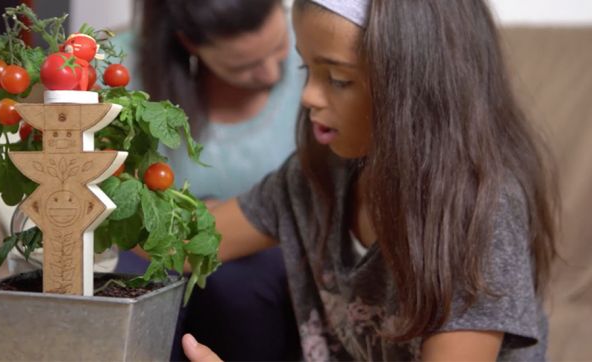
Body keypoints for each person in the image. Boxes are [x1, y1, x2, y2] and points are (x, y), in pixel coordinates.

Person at [180, 0, 559, 360]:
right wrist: (122, 175)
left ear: (417, 87)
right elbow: (183, 244)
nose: (308, 96)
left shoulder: (482, 214)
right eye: (305, 69)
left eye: (339, 79)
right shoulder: (316, 177)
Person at [112, 0, 304, 360]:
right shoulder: (122, 69)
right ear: (189, 44)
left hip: (257, 258)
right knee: (135, 282)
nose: (271, 73)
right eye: (242, 65)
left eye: (279, 46)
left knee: (240, 285)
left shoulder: (312, 55)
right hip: (156, 246)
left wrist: (218, 222)